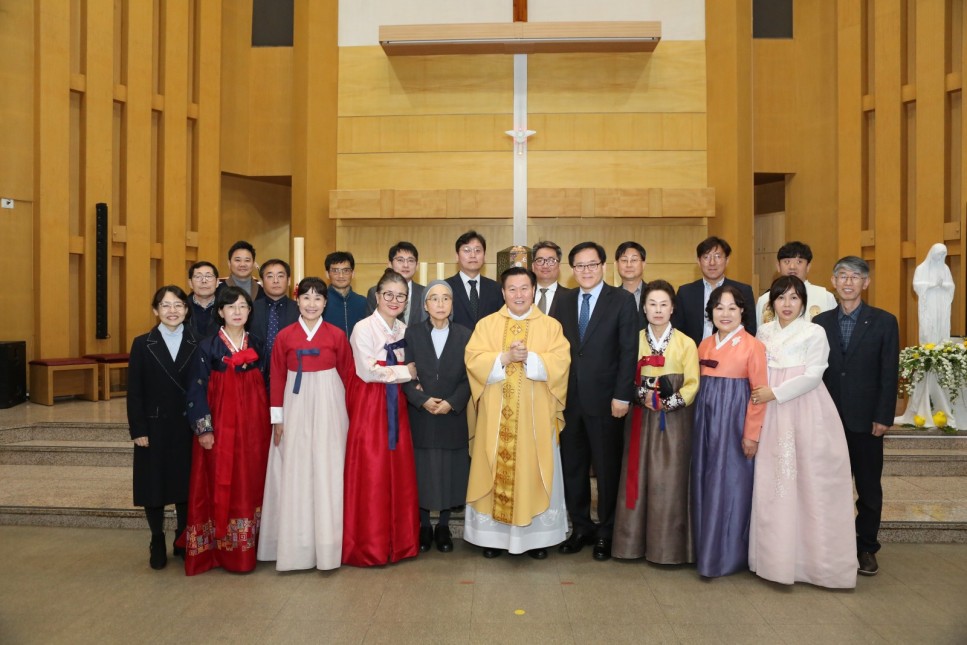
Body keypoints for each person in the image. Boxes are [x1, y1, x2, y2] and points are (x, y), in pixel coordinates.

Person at [749, 276, 856, 589]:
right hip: (770, 415)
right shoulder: (764, 332)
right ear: (772, 303)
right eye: (781, 298)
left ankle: (815, 563)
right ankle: (773, 560)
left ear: (804, 303)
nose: (787, 304)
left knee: (810, 484)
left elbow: (813, 375)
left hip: (805, 411)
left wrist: (775, 392)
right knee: (774, 483)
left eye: (794, 298)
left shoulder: (814, 332)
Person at [464, 267, 571, 559]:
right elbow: (473, 360)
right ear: (503, 292)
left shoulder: (550, 326)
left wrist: (531, 359)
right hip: (496, 420)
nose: (519, 294)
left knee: (534, 471)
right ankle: (493, 538)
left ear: (534, 290)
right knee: (493, 468)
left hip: (536, 420)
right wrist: (504, 357)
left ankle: (536, 539)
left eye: (524, 288)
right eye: (512, 289)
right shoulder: (486, 325)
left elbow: (561, 363)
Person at [258, 277, 355, 571]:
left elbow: (348, 375)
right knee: (296, 468)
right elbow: (276, 375)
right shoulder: (285, 336)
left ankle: (329, 545)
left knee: (328, 467)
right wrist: (278, 418)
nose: (311, 304)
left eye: (318, 298)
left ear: (325, 303)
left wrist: (352, 414)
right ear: (297, 300)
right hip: (295, 403)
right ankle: (297, 547)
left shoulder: (337, 335)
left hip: (330, 404)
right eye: (306, 297)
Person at [552, 242, 638, 561]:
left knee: (606, 468)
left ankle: (606, 531)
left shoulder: (622, 300)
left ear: (603, 266)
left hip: (607, 401)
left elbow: (628, 351)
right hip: (569, 401)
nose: (586, 271)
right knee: (573, 467)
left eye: (592, 264)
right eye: (580, 266)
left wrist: (622, 395)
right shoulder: (563, 301)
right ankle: (581, 528)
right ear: (572, 270)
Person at [814, 256, 899, 576]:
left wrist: (884, 416)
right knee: (827, 485)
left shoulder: (884, 321)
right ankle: (830, 544)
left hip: (867, 421)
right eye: (842, 276)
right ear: (833, 282)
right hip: (827, 419)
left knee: (868, 488)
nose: (848, 282)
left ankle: (866, 547)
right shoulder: (820, 323)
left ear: (866, 282)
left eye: (855, 276)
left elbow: (889, 372)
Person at [183, 286, 271, 575]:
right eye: (230, 306)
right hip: (220, 428)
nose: (237, 311)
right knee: (219, 480)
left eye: (243, 306)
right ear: (220, 311)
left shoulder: (257, 344)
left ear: (249, 311)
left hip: (255, 430)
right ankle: (220, 549)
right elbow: (196, 390)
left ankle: (253, 547)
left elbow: (268, 385)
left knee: (252, 480)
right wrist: (204, 429)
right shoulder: (207, 347)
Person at [613, 280, 699, 564]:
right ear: (644, 308)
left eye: (664, 304)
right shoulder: (633, 339)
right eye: (652, 304)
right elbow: (623, 374)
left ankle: (668, 549)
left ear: (673, 308)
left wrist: (667, 402)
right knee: (636, 476)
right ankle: (632, 544)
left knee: (670, 479)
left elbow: (692, 384)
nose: (658, 310)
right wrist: (642, 396)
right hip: (640, 418)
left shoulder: (686, 343)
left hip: (674, 422)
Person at [342, 269, 420, 566]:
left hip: (397, 402)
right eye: (388, 294)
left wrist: (407, 375)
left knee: (399, 471)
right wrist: (405, 372)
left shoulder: (405, 330)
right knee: (372, 471)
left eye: (401, 296)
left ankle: (400, 543)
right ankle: (370, 545)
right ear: (377, 296)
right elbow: (367, 371)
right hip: (370, 404)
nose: (394, 300)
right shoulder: (363, 328)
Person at [690, 284, 767, 577]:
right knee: (705, 481)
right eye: (719, 307)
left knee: (731, 485)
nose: (725, 313)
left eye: (732, 308)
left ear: (742, 311)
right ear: (711, 312)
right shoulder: (705, 345)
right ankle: (704, 550)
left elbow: (758, 394)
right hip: (705, 424)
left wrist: (751, 434)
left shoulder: (753, 346)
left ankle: (727, 556)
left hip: (734, 424)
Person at [127, 285, 199, 570]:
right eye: (166, 305)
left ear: (186, 309)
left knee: (185, 486)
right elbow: (135, 391)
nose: (172, 311)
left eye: (178, 305)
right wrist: (138, 429)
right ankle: (156, 538)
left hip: (187, 426)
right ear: (156, 310)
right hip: (154, 427)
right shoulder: (142, 344)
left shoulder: (198, 341)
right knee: (153, 486)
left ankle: (182, 537)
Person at [401, 281, 472, 553]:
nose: (440, 304)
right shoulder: (412, 333)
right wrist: (422, 400)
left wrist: (452, 402)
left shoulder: (465, 335)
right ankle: (423, 526)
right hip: (422, 413)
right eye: (434, 299)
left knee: (450, 472)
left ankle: (443, 526)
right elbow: (404, 373)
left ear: (452, 305)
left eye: (446, 298)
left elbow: (470, 376)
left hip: (452, 413)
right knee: (421, 471)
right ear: (425, 305)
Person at [672, 236, 756, 347]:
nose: (712, 262)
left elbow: (750, 330)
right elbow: (677, 331)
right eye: (706, 257)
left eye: (718, 256)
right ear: (698, 261)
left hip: (732, 352)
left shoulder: (743, 291)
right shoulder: (685, 293)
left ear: (727, 260)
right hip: (693, 353)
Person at [755, 241, 837, 326]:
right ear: (778, 266)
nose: (792, 267)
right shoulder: (765, 300)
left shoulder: (825, 297)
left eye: (799, 262)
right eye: (787, 262)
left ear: (808, 267)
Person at [249, 259, 299, 389]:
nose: (275, 281)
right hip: (255, 378)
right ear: (261, 282)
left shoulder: (300, 310)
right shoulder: (249, 310)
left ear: (289, 280)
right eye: (270, 276)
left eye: (280, 276)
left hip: (291, 378)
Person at [446, 230, 503, 330]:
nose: (473, 255)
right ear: (457, 256)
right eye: (467, 250)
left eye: (477, 250)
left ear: (484, 256)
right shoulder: (446, 287)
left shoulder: (496, 288)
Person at [366, 242, 426, 325]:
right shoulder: (375, 292)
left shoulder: (425, 292)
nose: (406, 265)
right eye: (400, 260)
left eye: (410, 260)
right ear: (390, 264)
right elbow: (371, 324)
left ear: (417, 265)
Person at [912, 243, 955, 345]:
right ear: (933, 253)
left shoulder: (945, 268)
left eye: (943, 254)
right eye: (939, 254)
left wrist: (943, 285)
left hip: (941, 301)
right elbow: (916, 284)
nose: (940, 257)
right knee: (928, 325)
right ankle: (929, 348)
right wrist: (932, 285)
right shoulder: (921, 268)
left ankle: (942, 346)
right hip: (929, 301)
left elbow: (951, 285)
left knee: (941, 323)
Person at [324, 251, 368, 336]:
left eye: (346, 270)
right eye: (335, 271)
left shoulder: (363, 302)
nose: (341, 275)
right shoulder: (320, 301)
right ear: (327, 274)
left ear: (353, 273)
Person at [532, 240, 571, 317]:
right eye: (540, 260)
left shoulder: (571, 297)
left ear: (559, 266)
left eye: (551, 261)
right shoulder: (523, 295)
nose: (545, 266)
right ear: (533, 266)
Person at [615, 241, 647, 328]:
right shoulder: (610, 298)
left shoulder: (654, 294)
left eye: (634, 260)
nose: (629, 265)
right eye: (624, 260)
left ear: (643, 264)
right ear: (617, 265)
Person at [187, 261, 219, 338]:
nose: (204, 281)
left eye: (209, 276)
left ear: (217, 282)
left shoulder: (226, 307)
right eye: (198, 277)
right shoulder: (182, 308)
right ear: (190, 283)